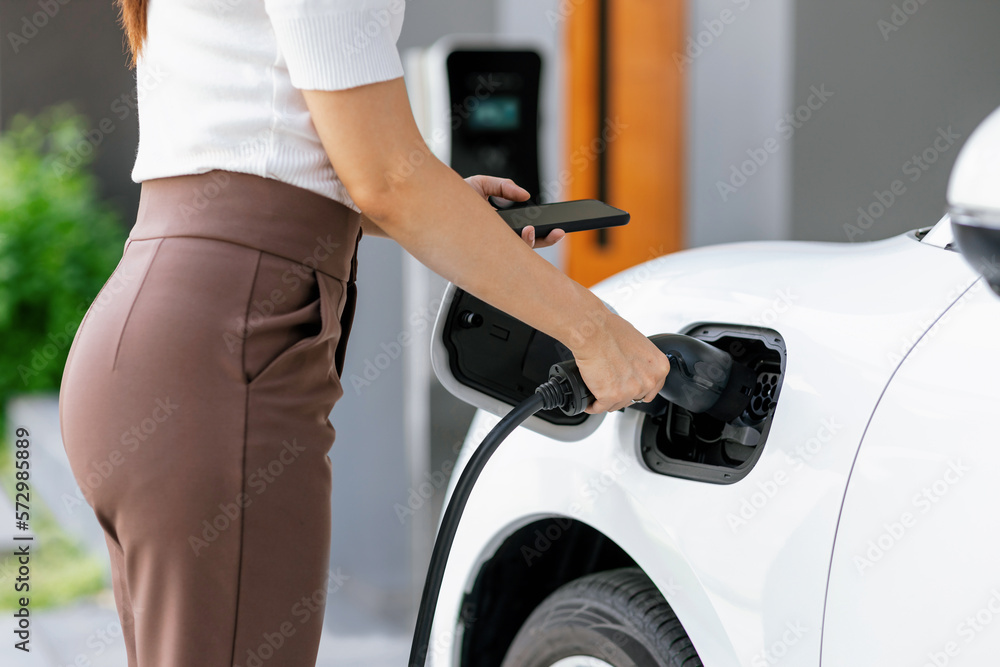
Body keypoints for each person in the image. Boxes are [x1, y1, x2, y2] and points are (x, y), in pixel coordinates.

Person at [58, 1, 670, 665]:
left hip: (153, 336)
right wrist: (594, 330)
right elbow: (384, 182)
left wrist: (447, 206)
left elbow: (287, 161)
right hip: (218, 358)